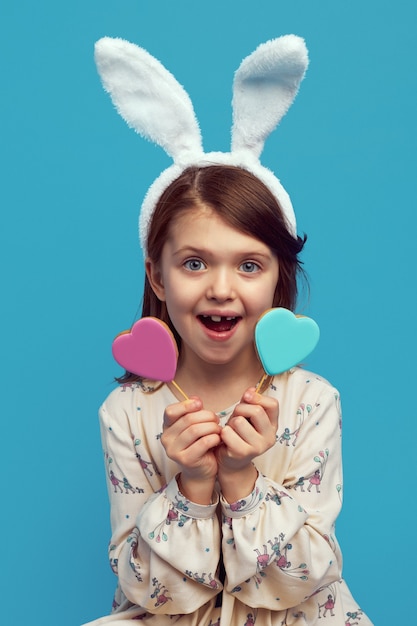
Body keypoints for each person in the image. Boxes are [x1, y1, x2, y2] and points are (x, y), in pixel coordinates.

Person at [84, 36, 373, 626]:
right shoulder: (126, 412)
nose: (221, 288)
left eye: (248, 265)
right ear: (157, 278)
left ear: (277, 280)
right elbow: (148, 591)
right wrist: (191, 486)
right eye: (194, 263)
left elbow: (301, 584)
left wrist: (241, 478)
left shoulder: (313, 402)